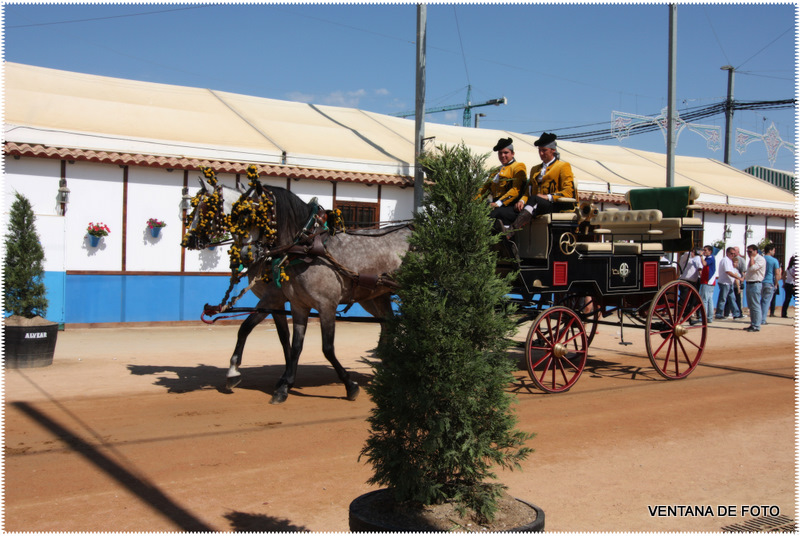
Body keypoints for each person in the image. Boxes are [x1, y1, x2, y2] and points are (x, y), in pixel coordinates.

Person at [511, 132, 576, 230]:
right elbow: (528, 192)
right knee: (506, 211)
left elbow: (568, 193)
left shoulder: (562, 166)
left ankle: (512, 230)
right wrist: (521, 200)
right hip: (537, 204)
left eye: (544, 150)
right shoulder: (535, 169)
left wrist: (547, 197)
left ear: (553, 150)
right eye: (539, 150)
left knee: (534, 199)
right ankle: (504, 238)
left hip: (555, 205)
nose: (541, 153)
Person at [477, 138, 527, 227]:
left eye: (506, 152)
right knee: (478, 212)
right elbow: (484, 189)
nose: (502, 155)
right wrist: (473, 201)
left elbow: (515, 190)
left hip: (511, 206)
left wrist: (498, 203)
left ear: (512, 153)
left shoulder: (518, 167)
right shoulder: (495, 171)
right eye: (500, 153)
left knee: (493, 214)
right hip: (494, 205)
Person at [742, 244, 766, 332]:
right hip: (750, 283)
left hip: (756, 284)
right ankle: (753, 324)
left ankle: (756, 325)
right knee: (751, 306)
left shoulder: (760, 259)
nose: (749, 253)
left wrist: (752, 257)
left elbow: (753, 268)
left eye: (750, 251)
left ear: (756, 251)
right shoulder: (752, 259)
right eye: (748, 251)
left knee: (755, 305)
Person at [715, 247, 742, 320]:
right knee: (723, 299)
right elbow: (728, 272)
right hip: (724, 283)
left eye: (734, 254)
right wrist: (738, 278)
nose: (733, 255)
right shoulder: (725, 260)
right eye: (731, 253)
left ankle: (736, 314)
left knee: (732, 299)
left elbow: (732, 271)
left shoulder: (730, 261)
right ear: (727, 253)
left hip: (729, 283)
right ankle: (719, 314)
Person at [760, 244, 781, 325]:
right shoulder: (774, 260)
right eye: (773, 250)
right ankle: (762, 319)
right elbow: (777, 273)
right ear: (770, 250)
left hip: (760, 281)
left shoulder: (761, 259)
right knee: (766, 302)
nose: (774, 252)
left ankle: (757, 318)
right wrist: (776, 284)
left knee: (759, 301)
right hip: (769, 282)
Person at [696, 245, 717, 323]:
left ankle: (703, 317)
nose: (704, 251)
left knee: (704, 300)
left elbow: (704, 264)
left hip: (708, 281)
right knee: (709, 300)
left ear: (710, 251)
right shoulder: (710, 258)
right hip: (709, 281)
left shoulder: (710, 258)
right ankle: (709, 317)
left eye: (705, 250)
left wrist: (701, 256)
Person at [730, 246, 746, 318]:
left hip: (738, 281)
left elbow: (743, 271)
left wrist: (741, 282)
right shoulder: (730, 259)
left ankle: (739, 312)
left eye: (735, 251)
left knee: (738, 298)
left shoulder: (741, 260)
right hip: (732, 282)